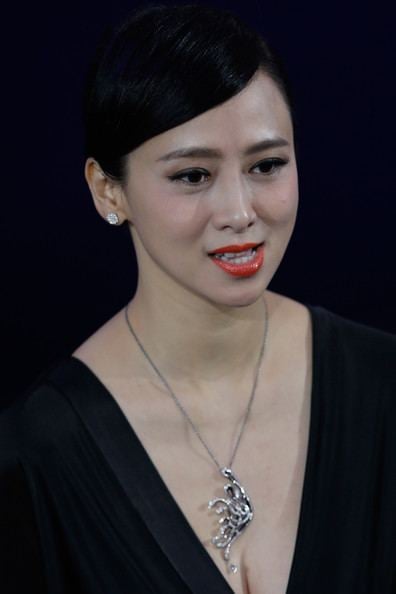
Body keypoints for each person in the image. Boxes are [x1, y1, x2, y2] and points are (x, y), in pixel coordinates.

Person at [1, 4, 395, 594]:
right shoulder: (33, 456)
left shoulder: (383, 385)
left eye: (267, 165)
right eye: (193, 176)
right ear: (109, 190)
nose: (241, 213)